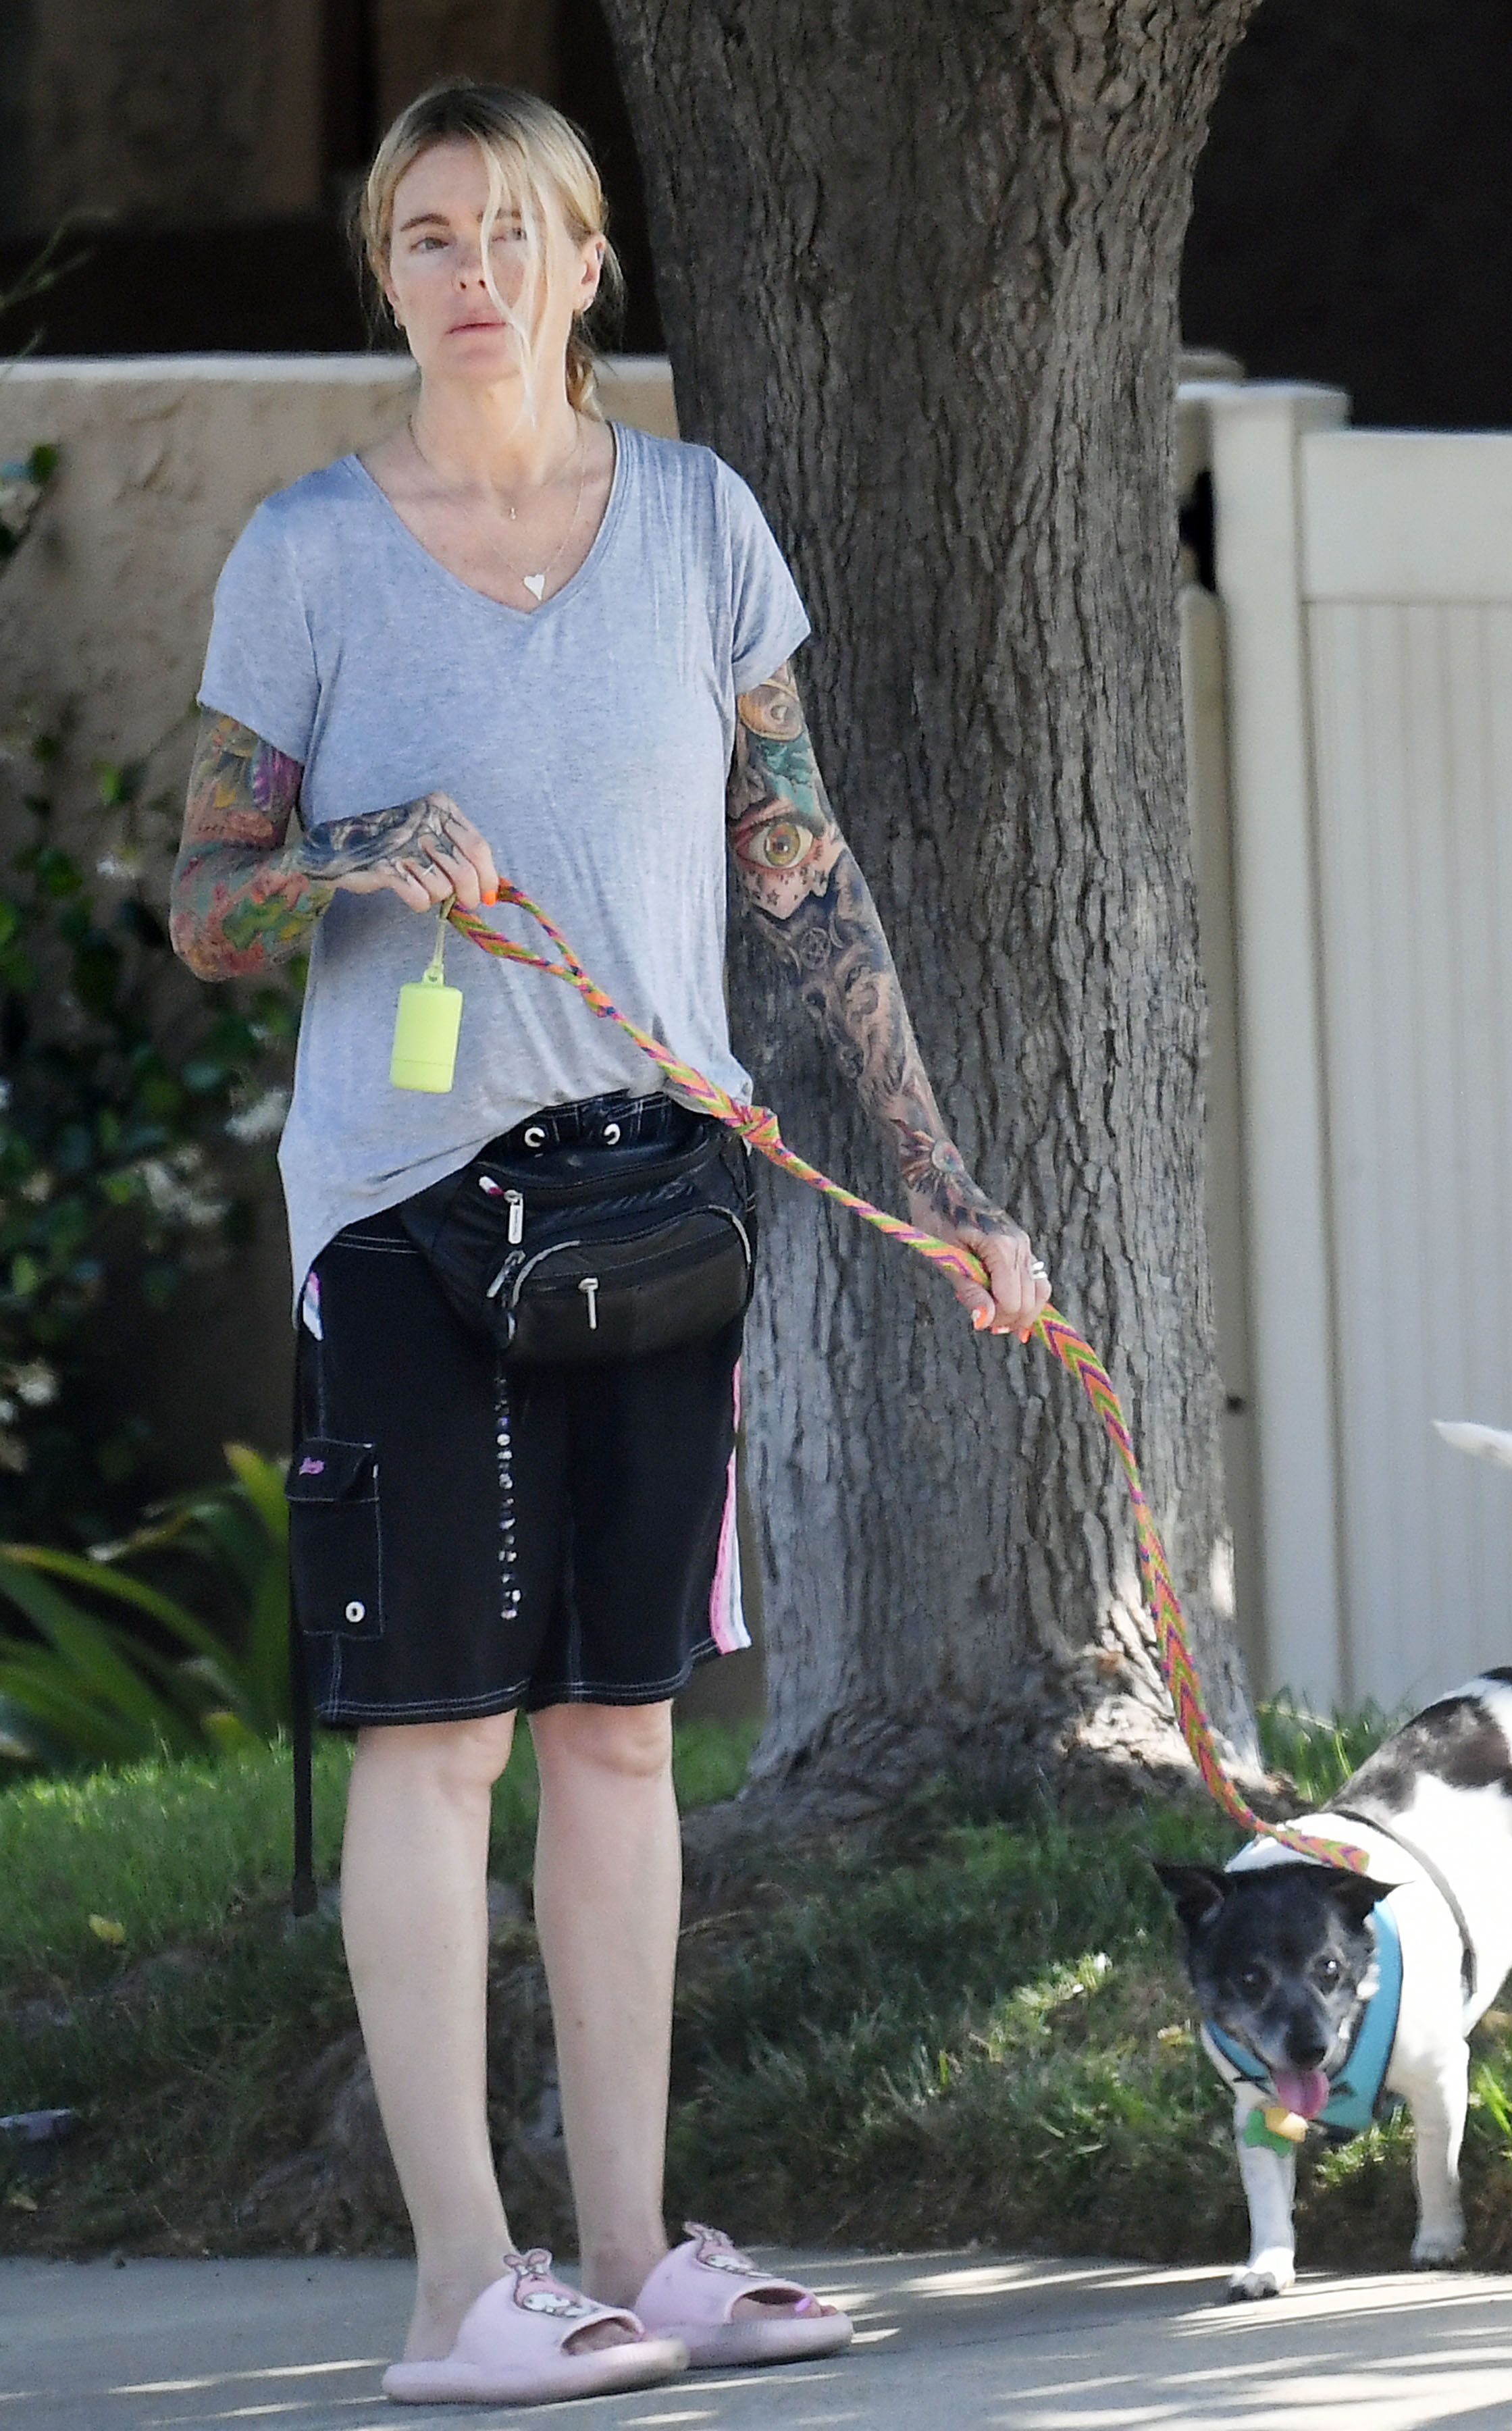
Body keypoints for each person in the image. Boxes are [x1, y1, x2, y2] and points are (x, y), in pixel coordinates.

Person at [171, 78, 1051, 2409]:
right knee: (436, 1744)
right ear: (388, 272)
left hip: (659, 1199)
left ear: (588, 269)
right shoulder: (308, 556)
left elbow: (804, 864)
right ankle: (464, 2291)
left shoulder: (695, 527)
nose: (477, 272)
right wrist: (354, 847)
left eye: (519, 233)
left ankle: (636, 2250)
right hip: (410, 1224)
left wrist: (945, 1181)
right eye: (432, 234)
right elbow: (202, 910)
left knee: (622, 1741)